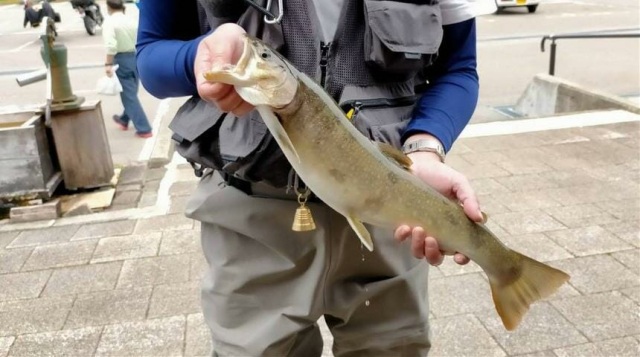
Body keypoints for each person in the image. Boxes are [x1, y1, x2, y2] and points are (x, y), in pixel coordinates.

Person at [137, 1, 482, 355]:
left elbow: (458, 67)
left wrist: (424, 147)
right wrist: (199, 56)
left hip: (388, 215)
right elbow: (151, 55)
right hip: (251, 220)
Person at [103, 0, 152, 138]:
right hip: (135, 57)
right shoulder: (130, 20)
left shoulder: (110, 22)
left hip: (121, 59)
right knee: (131, 92)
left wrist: (108, 64)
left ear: (108, 7)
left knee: (129, 96)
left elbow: (111, 45)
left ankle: (144, 128)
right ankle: (124, 119)